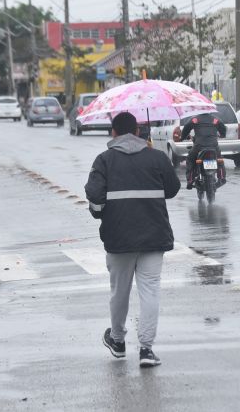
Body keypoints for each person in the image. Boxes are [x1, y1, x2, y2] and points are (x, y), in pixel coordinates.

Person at [85, 112, 180, 368]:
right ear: (138, 132)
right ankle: (147, 349)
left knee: (120, 292)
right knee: (150, 291)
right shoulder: (157, 157)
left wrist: (100, 211)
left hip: (118, 237)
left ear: (113, 133)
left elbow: (93, 193)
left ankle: (117, 341)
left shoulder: (104, 160)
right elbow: (172, 189)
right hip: (154, 235)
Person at [181, 113, 227, 189]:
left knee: (190, 159)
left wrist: (182, 137)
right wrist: (222, 135)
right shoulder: (215, 119)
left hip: (199, 146)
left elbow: (186, 127)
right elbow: (223, 127)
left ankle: (190, 180)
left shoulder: (195, 119)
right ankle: (222, 177)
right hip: (214, 146)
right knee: (219, 160)